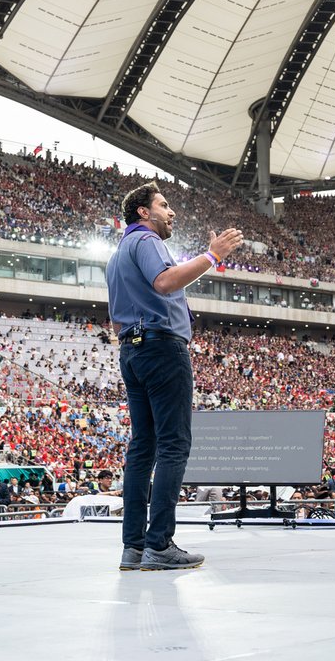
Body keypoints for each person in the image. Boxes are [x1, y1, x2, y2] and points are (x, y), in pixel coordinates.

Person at [107, 181, 243, 572]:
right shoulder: (147, 242)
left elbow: (114, 316)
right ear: (143, 213)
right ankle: (160, 544)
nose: (172, 212)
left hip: (130, 349)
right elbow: (165, 282)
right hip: (161, 346)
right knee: (173, 445)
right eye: (164, 205)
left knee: (142, 447)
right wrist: (212, 256)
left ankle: (132, 547)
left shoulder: (117, 255)